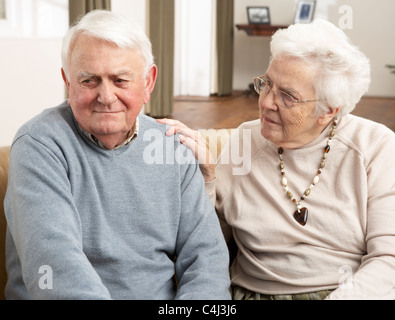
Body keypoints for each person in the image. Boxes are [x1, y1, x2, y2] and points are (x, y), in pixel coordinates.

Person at [158, 19, 395, 299]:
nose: (267, 102)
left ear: (328, 111)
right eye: (267, 84)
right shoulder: (245, 141)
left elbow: (388, 259)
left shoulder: (374, 147)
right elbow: (207, 245)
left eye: (287, 96)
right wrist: (208, 178)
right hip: (252, 293)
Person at [4, 10, 231, 300]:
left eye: (121, 80)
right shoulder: (39, 146)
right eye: (89, 80)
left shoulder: (172, 147)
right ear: (68, 81)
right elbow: (55, 271)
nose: (106, 96)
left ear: (148, 82)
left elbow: (207, 261)